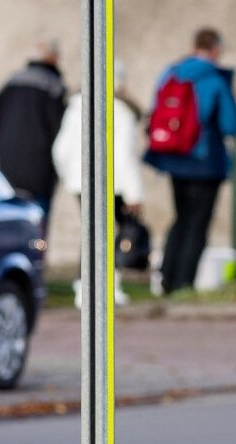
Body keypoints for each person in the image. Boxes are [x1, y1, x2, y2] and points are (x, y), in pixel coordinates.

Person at [144, 27, 236, 295]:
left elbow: (156, 109)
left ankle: (166, 277)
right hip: (205, 162)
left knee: (181, 218)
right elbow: (230, 124)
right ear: (216, 49)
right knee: (197, 224)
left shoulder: (172, 73)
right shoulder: (215, 78)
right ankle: (183, 282)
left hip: (174, 159)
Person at [52, 61, 146, 305]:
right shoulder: (121, 112)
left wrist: (70, 177)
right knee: (109, 233)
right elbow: (124, 155)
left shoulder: (76, 108)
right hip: (113, 184)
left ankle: (85, 287)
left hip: (82, 182)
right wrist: (134, 193)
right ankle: (105, 285)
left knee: (93, 232)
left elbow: (61, 149)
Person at [0, 38, 68, 231]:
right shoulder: (55, 87)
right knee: (36, 228)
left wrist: (4, 151)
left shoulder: (11, 82)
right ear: (53, 58)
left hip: (8, 167)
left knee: (9, 225)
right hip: (41, 171)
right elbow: (60, 132)